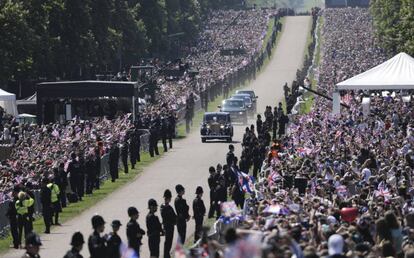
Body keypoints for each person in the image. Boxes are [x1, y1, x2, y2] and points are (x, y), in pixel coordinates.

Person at [160, 189, 176, 258]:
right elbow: (172, 216)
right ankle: (166, 255)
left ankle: (167, 254)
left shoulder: (164, 207)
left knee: (168, 242)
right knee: (168, 242)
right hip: (169, 226)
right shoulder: (166, 207)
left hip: (168, 226)